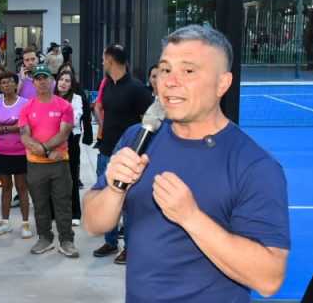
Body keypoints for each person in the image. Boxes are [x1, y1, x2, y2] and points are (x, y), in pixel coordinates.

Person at [83, 25, 290, 302]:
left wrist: (191, 217)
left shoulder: (254, 165)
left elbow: (269, 278)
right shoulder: (138, 137)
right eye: (166, 69)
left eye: (188, 71)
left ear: (222, 84)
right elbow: (92, 224)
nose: (170, 81)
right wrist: (115, 189)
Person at [93, 44, 152, 263]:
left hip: (128, 157)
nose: (102, 62)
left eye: (103, 58)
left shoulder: (137, 89)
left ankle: (130, 246)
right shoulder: (107, 85)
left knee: (127, 203)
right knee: (107, 198)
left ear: (110, 60)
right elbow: (102, 110)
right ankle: (110, 242)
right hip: (106, 150)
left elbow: (151, 120)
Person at [18, 64, 78, 258]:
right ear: (33, 82)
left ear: (51, 80)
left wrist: (44, 148)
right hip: (36, 165)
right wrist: (44, 153)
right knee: (40, 203)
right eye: (38, 78)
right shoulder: (27, 107)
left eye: (45, 77)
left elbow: (64, 133)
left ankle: (66, 240)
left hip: (60, 164)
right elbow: (25, 136)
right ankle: (45, 237)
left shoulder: (64, 106)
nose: (42, 81)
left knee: (63, 204)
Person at [0, 71, 33, 238]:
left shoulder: (25, 103)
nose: (6, 85)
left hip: (20, 152)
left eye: (9, 82)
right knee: (6, 188)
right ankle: (5, 222)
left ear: (16, 84)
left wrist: (3, 128)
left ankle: (25, 223)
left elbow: (25, 126)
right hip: (1, 152)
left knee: (22, 188)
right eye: (3, 83)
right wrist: (12, 126)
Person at [54, 70, 93, 226]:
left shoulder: (76, 99)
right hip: (53, 141)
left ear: (72, 84)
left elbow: (74, 120)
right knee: (55, 179)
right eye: (61, 79)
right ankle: (56, 212)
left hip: (70, 141)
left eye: (67, 80)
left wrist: (56, 119)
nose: (63, 83)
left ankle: (75, 212)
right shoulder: (51, 98)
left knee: (71, 177)